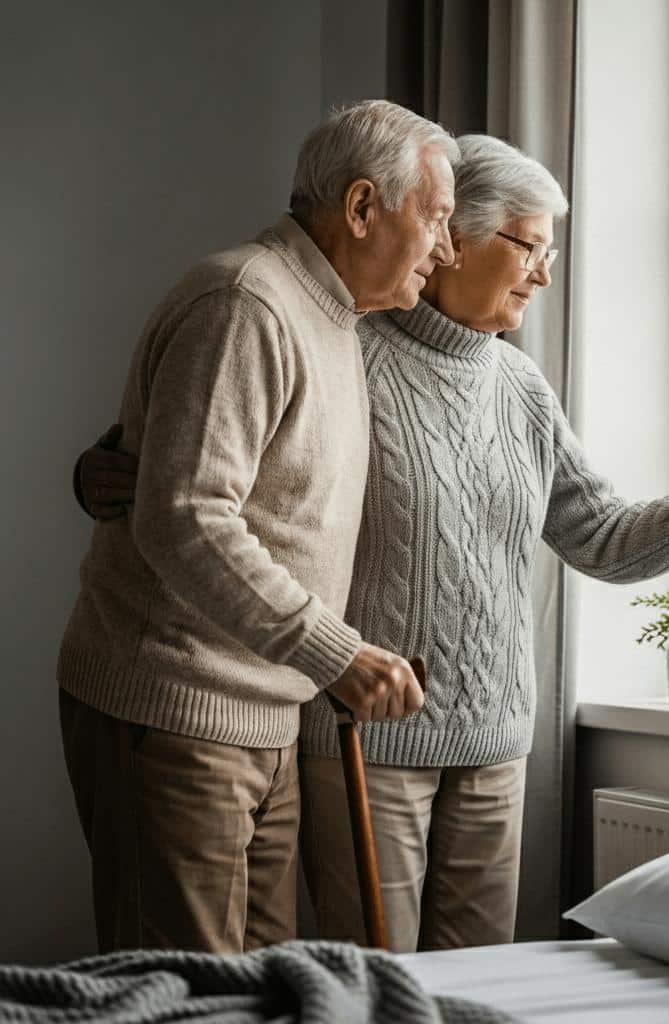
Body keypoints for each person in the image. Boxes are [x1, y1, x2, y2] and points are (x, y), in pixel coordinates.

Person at [75, 133, 669, 954]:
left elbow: (603, 536)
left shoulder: (521, 388)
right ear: (454, 238)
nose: (544, 274)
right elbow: (197, 478)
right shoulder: (339, 341)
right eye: (530, 247)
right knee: (371, 982)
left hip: (495, 741)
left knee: (476, 987)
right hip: (363, 731)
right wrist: (110, 472)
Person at [58, 100, 457, 955]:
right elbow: (186, 517)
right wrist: (337, 651)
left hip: (260, 721)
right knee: (186, 1002)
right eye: (438, 219)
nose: (447, 249)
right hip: (180, 714)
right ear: (361, 209)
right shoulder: (249, 301)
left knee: (260, 997)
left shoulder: (334, 319)